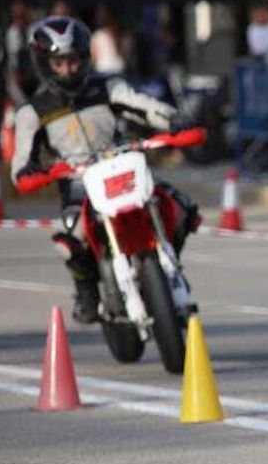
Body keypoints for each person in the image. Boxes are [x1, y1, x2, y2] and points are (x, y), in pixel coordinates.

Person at [10, 16, 195, 324]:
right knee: (72, 239)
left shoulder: (108, 87)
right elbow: (22, 159)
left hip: (121, 167)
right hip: (78, 186)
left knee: (179, 207)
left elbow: (143, 105)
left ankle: (168, 266)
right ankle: (86, 293)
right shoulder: (32, 112)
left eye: (74, 60)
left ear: (86, 57)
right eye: (59, 62)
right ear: (44, 63)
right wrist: (29, 173)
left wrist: (173, 120)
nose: (68, 69)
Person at [90, 3, 129, 77]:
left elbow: (126, 57)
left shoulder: (124, 35)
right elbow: (93, 59)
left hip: (121, 74)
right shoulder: (97, 36)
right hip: (102, 74)